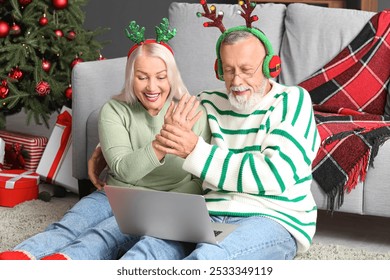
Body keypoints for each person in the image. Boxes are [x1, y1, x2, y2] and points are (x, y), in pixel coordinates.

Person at [88, 7, 321, 260]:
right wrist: (106, 149)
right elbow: (161, 122)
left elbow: (274, 175)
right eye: (229, 70)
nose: (236, 80)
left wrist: (195, 151)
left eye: (246, 70)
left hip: (271, 216)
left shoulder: (292, 100)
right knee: (145, 251)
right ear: (218, 68)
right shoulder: (208, 102)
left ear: (269, 66)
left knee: (208, 259)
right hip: (205, 212)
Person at [0, 19, 210, 260]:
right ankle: (20, 256)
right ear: (131, 77)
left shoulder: (194, 112)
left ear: (171, 77)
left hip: (165, 200)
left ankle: (66, 264)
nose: (152, 86)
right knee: (71, 224)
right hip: (117, 191)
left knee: (102, 236)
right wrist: (163, 142)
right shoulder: (114, 110)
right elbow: (123, 170)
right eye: (142, 77)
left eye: (161, 77)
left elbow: (199, 180)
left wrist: (169, 205)